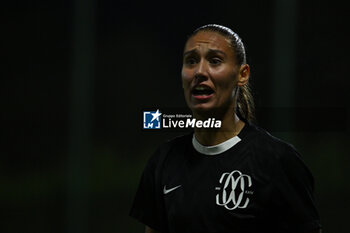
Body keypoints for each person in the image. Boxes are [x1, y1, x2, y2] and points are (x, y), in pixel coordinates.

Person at [130, 24, 322, 233]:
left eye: (215, 61)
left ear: (242, 74)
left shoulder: (276, 161)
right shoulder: (163, 161)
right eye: (191, 61)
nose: (200, 72)